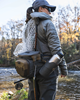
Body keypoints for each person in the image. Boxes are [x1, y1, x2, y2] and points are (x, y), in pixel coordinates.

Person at [14, 0, 68, 100]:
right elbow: (57, 51)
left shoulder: (28, 26)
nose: (50, 12)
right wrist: (64, 70)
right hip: (48, 70)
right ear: (40, 9)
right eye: (48, 9)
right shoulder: (48, 24)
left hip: (32, 69)